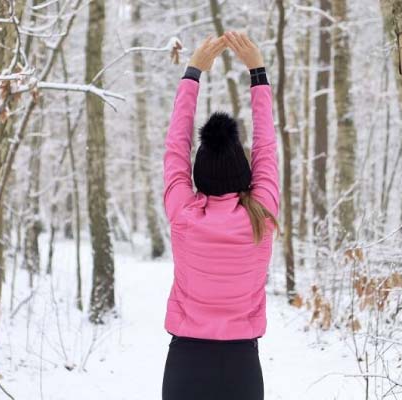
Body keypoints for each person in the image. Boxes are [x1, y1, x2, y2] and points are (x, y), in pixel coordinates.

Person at [161, 31, 280, 400]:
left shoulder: (184, 214)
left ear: (198, 172)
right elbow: (266, 147)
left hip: (186, 364)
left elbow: (175, 146)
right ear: (244, 170)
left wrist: (193, 72)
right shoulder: (261, 215)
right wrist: (257, 72)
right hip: (241, 366)